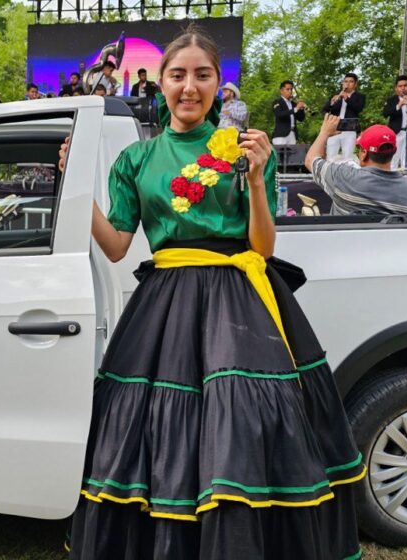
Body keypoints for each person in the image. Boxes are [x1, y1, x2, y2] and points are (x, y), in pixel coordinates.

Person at [61, 26, 364, 560]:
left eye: (202, 75)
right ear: (161, 82)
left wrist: (253, 179)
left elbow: (263, 247)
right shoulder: (136, 160)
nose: (189, 87)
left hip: (239, 301)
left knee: (240, 428)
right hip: (165, 308)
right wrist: (76, 189)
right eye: (178, 75)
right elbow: (114, 246)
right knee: (156, 432)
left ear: (218, 85)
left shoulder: (249, 151)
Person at [305, 115, 407, 216]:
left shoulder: (343, 177)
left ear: (364, 153)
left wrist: (324, 133)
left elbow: (311, 160)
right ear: (394, 152)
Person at [321, 73, 365, 161]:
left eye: (351, 82)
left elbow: (358, 109)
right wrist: (332, 103)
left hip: (350, 129)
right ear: (342, 83)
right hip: (334, 128)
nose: (347, 84)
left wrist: (347, 98)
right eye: (345, 81)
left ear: (355, 84)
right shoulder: (336, 95)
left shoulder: (360, 97)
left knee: (348, 156)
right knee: (330, 155)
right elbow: (324, 110)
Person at [272, 80, 306, 145]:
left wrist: (301, 109)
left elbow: (301, 118)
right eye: (287, 89)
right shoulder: (277, 102)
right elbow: (279, 114)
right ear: (281, 90)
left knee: (291, 154)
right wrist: (296, 109)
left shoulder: (293, 104)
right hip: (281, 135)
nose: (290, 91)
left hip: (292, 134)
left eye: (291, 89)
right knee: (280, 154)